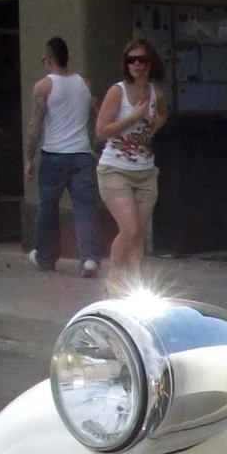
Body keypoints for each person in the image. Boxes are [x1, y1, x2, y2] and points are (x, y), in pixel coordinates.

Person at [25, 36, 101, 277]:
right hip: (82, 154)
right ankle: (90, 259)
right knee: (85, 206)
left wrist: (29, 158)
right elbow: (98, 118)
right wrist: (95, 146)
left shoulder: (43, 87)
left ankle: (46, 257)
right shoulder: (85, 85)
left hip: (54, 154)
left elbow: (35, 124)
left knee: (47, 207)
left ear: (49, 59)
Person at [95, 37, 168, 280]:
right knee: (130, 228)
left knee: (139, 235)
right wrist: (134, 117)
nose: (137, 64)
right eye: (131, 60)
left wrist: (148, 132)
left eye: (142, 60)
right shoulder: (118, 92)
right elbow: (101, 130)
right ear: (125, 64)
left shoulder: (155, 93)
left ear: (150, 63)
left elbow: (163, 114)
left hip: (145, 170)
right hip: (115, 168)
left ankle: (134, 284)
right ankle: (114, 280)